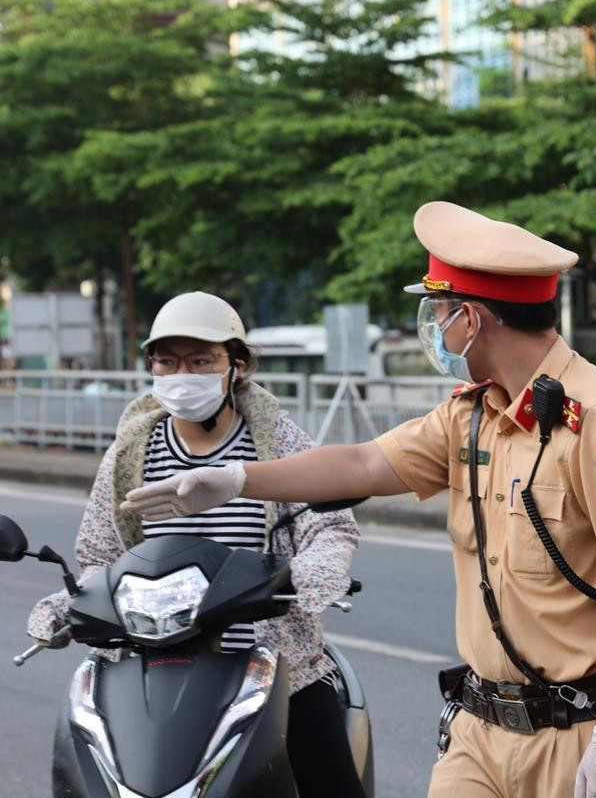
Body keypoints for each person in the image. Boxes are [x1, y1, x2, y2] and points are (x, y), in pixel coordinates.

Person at [122, 203, 596, 798]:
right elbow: (363, 462)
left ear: (471, 318)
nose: (433, 327)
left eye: (437, 312)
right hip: (481, 731)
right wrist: (237, 480)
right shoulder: (473, 414)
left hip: (582, 731)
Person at [27, 290, 366, 798]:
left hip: (273, 664)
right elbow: (99, 555)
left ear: (237, 364)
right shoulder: (129, 455)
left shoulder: (278, 442)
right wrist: (67, 604)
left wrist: (309, 572)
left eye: (201, 360)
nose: (183, 373)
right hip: (150, 668)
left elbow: (330, 525)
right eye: (167, 361)